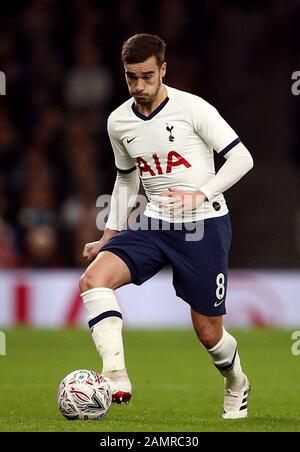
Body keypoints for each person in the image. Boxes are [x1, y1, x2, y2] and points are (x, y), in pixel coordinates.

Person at [79, 34, 253, 419]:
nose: (138, 86)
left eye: (146, 76)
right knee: (93, 280)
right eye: (130, 78)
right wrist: (108, 235)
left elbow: (243, 159)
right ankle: (114, 376)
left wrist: (201, 193)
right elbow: (127, 180)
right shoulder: (119, 121)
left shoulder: (193, 109)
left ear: (162, 70)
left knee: (209, 334)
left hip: (202, 226)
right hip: (154, 222)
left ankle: (237, 382)